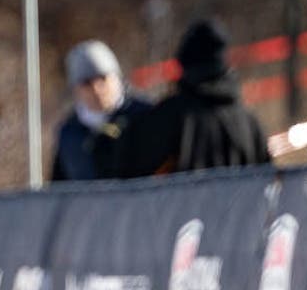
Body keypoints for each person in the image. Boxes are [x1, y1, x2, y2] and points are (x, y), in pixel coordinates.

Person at [115, 18, 271, 178]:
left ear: (185, 64)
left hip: (180, 196)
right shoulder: (250, 123)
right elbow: (267, 183)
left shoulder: (170, 116)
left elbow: (128, 171)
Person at [49, 39, 151, 181]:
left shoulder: (144, 116)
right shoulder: (70, 132)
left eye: (103, 78)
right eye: (87, 83)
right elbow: (60, 187)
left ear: (117, 78)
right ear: (75, 89)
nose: (96, 89)